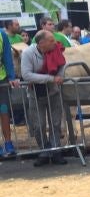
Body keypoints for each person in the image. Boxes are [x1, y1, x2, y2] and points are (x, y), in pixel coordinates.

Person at [20, 31, 68, 166]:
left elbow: (62, 65)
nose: (55, 42)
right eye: (51, 40)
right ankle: (45, 150)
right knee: (38, 125)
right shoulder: (28, 53)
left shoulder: (56, 50)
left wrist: (59, 76)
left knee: (56, 123)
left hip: (53, 92)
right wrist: (51, 78)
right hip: (35, 94)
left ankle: (56, 150)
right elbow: (26, 75)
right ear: (42, 43)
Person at [0, 24, 21, 157]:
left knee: (4, 111)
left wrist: (12, 76)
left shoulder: (2, 35)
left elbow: (7, 56)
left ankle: (8, 143)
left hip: (2, 79)